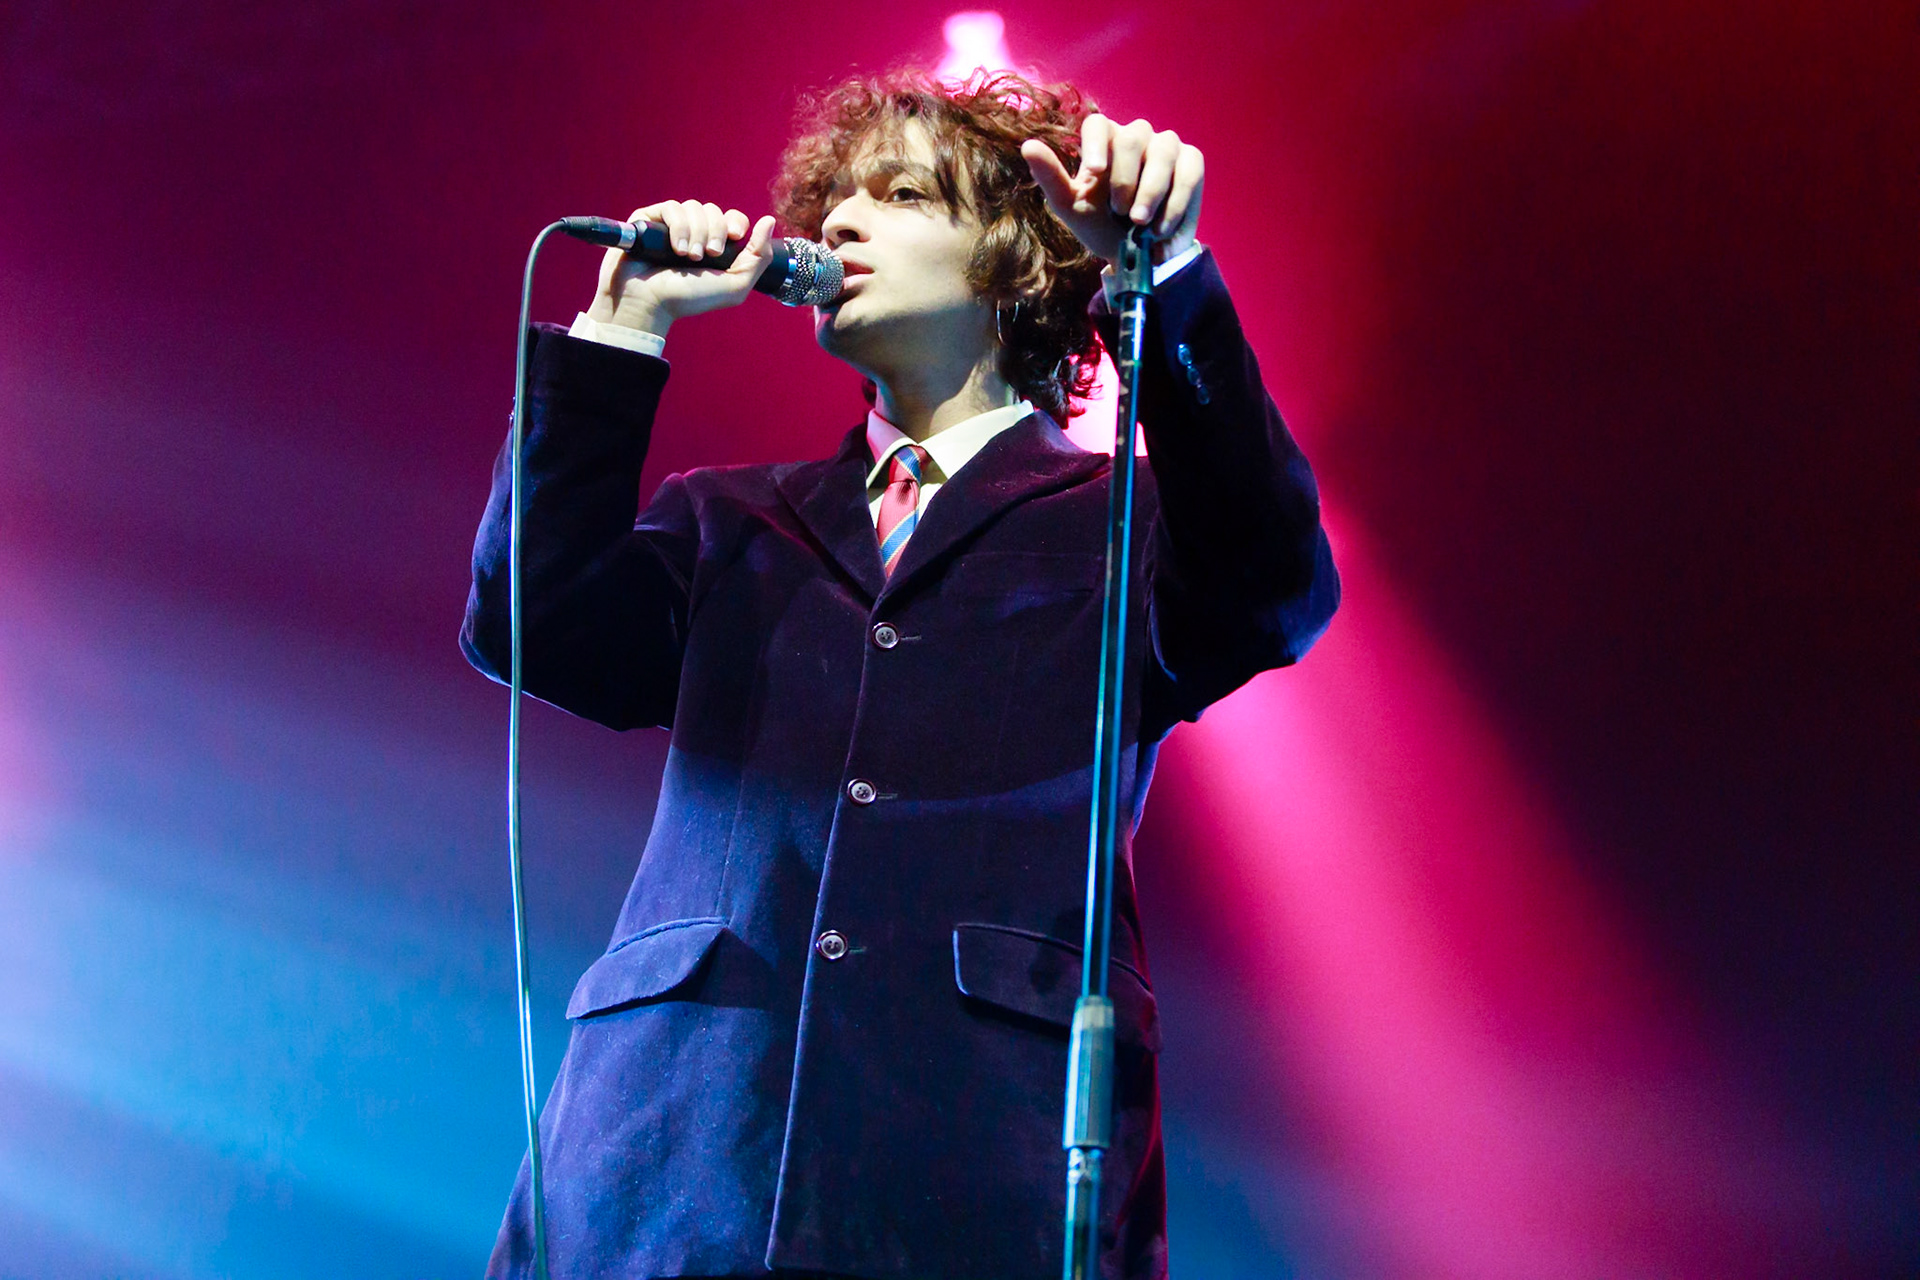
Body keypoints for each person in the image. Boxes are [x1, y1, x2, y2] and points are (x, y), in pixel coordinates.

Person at [462, 68, 1338, 1280]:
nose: (841, 225)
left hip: (974, 1174)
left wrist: (1170, 277)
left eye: (904, 192)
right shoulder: (730, 520)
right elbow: (531, 623)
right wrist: (625, 330)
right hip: (669, 1164)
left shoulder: (1124, 524)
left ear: (1017, 264)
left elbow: (1274, 580)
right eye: (834, 204)